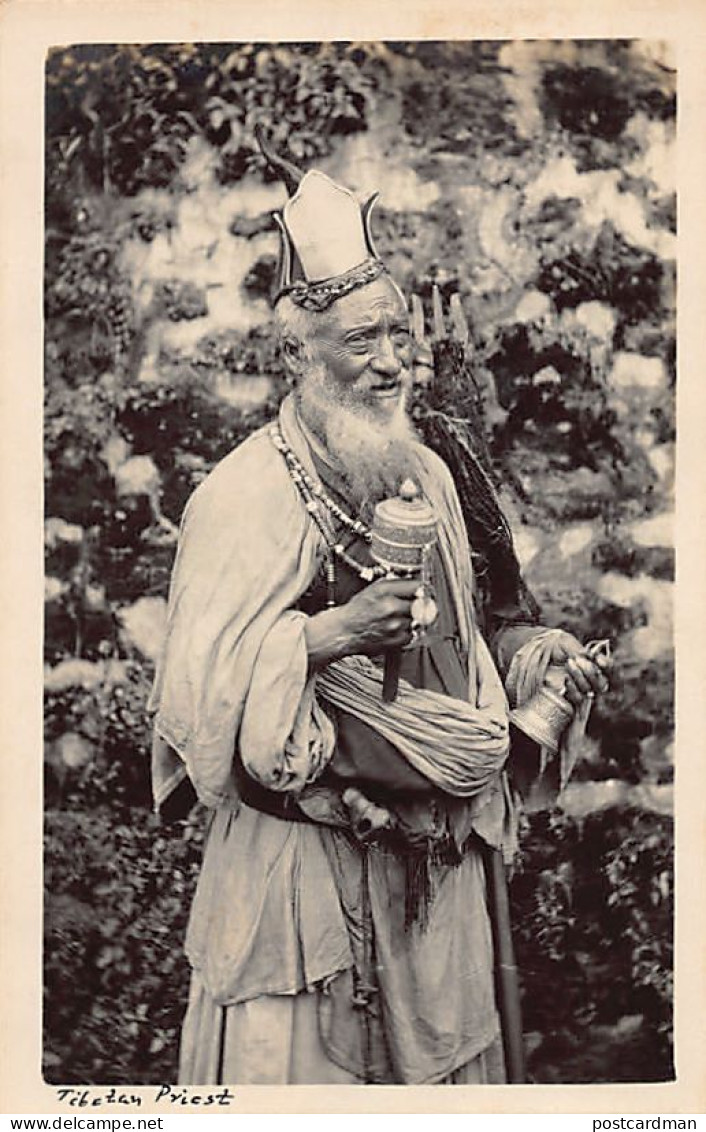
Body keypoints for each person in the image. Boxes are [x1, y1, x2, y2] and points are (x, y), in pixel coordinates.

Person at [149, 139, 609, 1086]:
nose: (394, 362)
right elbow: (196, 713)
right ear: (296, 353)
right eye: (363, 341)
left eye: (398, 335)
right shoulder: (238, 499)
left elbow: (471, 638)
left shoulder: (432, 473)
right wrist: (327, 637)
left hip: (432, 889)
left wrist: (534, 662)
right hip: (300, 892)